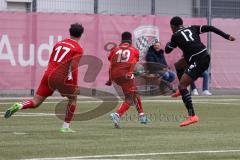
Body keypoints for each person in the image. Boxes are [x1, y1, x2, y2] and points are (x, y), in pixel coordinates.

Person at [4, 23, 84, 133]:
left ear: (69, 32)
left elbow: (51, 60)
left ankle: (20, 105)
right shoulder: (78, 49)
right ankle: (65, 127)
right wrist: (74, 85)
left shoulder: (59, 43)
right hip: (60, 77)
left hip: (48, 74)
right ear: (81, 35)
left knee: (35, 102)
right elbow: (74, 68)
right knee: (73, 99)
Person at [165, 16, 235, 127]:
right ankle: (182, 90)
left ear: (172, 26)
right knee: (178, 65)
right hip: (205, 54)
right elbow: (210, 27)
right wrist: (227, 36)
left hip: (198, 59)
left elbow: (167, 50)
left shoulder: (175, 35)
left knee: (182, 85)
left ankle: (192, 116)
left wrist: (168, 44)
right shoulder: (192, 27)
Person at [107, 32, 148, 128]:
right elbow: (133, 62)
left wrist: (109, 79)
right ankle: (117, 115)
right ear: (130, 40)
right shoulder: (134, 50)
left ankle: (142, 116)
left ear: (122, 40)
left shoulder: (114, 49)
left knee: (135, 92)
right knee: (129, 99)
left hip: (115, 75)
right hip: (126, 75)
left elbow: (111, 64)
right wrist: (131, 73)